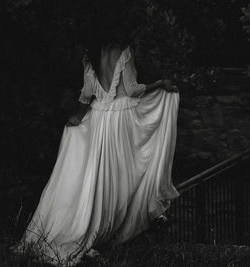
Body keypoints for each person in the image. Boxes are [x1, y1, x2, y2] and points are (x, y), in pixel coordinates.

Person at [11, 38, 180, 264]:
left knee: (98, 173)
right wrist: (160, 84)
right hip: (121, 121)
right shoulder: (123, 51)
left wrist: (80, 115)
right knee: (123, 175)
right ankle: (120, 225)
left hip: (99, 118)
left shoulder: (89, 55)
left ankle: (95, 225)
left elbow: (86, 93)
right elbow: (132, 90)